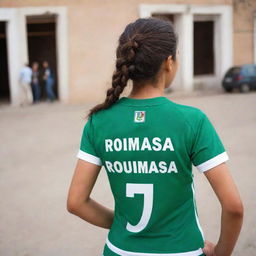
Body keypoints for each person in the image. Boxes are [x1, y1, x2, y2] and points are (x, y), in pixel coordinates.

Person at [67, 17, 243, 256]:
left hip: (119, 250)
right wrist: (221, 253)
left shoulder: (99, 121)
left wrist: (122, 223)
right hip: (183, 251)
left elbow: (76, 202)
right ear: (169, 62)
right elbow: (233, 207)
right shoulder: (192, 120)